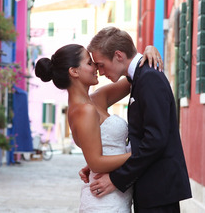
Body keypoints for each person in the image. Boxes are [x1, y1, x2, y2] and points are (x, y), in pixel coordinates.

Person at [35, 43, 162, 212]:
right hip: (104, 202)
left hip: (116, 196)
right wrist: (140, 154)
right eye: (89, 63)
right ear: (74, 71)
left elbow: (133, 75)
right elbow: (96, 163)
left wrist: (147, 51)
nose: (95, 66)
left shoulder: (97, 98)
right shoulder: (83, 111)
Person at [82, 26, 192, 213]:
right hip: (152, 188)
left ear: (118, 55)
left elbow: (155, 141)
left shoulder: (149, 78)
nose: (100, 71)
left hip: (159, 188)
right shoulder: (140, 76)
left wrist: (116, 179)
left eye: (101, 64)